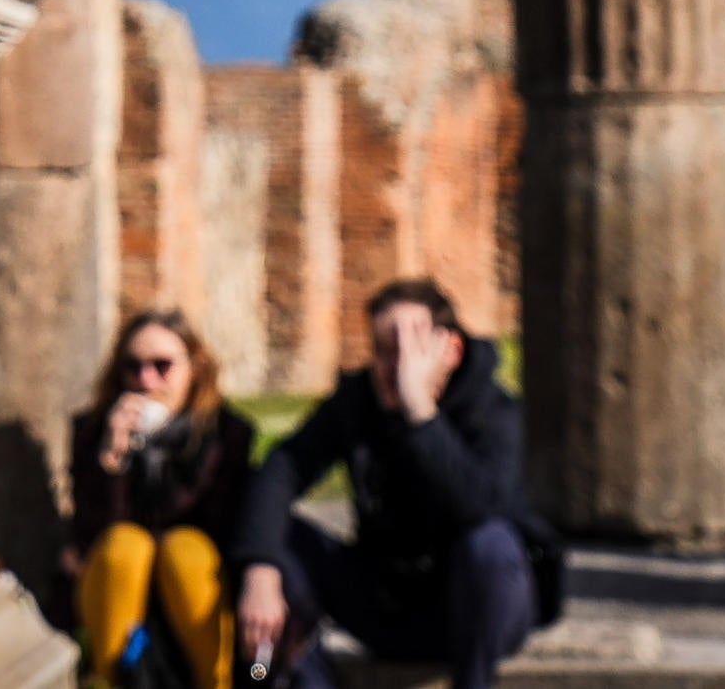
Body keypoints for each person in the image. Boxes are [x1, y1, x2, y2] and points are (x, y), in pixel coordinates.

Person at [230, 281, 556, 689]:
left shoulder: (493, 411)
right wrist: (260, 567)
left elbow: (481, 506)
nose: (391, 368)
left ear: (449, 351)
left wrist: (420, 412)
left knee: (490, 545)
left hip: (478, 613)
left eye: (405, 352)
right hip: (389, 603)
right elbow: (282, 467)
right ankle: (298, 681)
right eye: (382, 351)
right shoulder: (358, 401)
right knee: (277, 539)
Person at [67, 309, 257, 689]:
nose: (145, 380)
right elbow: (91, 535)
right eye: (132, 367)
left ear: (195, 369)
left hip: (195, 592)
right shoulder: (94, 431)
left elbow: (217, 523)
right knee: (125, 546)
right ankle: (110, 680)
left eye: (162, 366)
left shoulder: (227, 434)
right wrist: (113, 458)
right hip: (118, 598)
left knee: (184, 548)